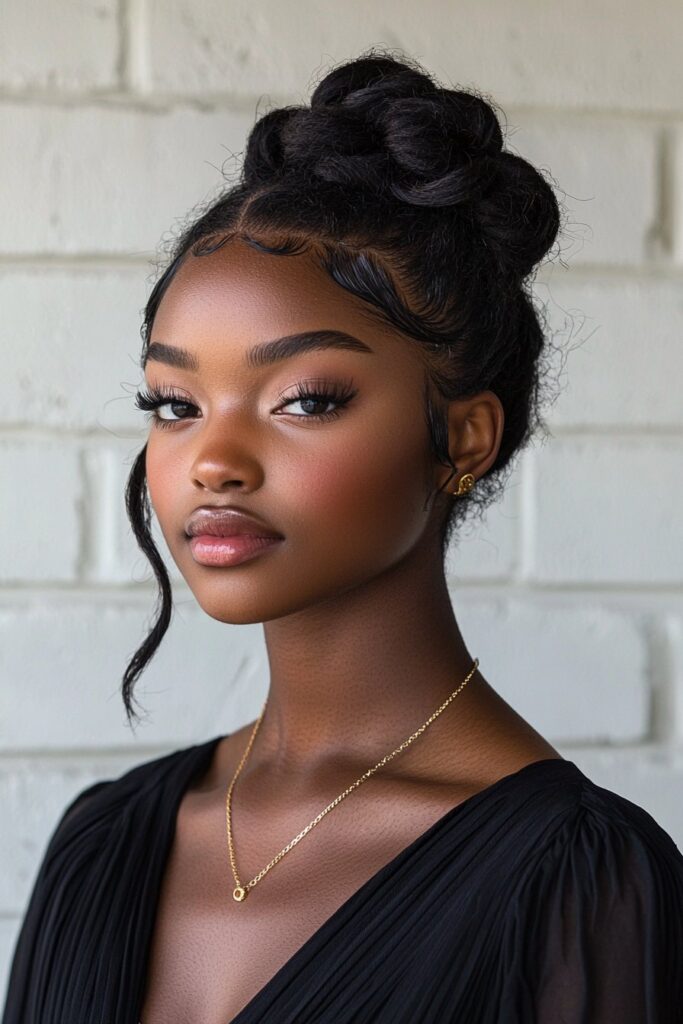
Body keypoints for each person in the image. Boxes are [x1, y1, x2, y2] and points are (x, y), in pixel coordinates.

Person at [3, 48, 683, 1024]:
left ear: (463, 436)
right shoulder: (101, 843)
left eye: (304, 399)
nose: (213, 460)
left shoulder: (572, 884)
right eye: (174, 402)